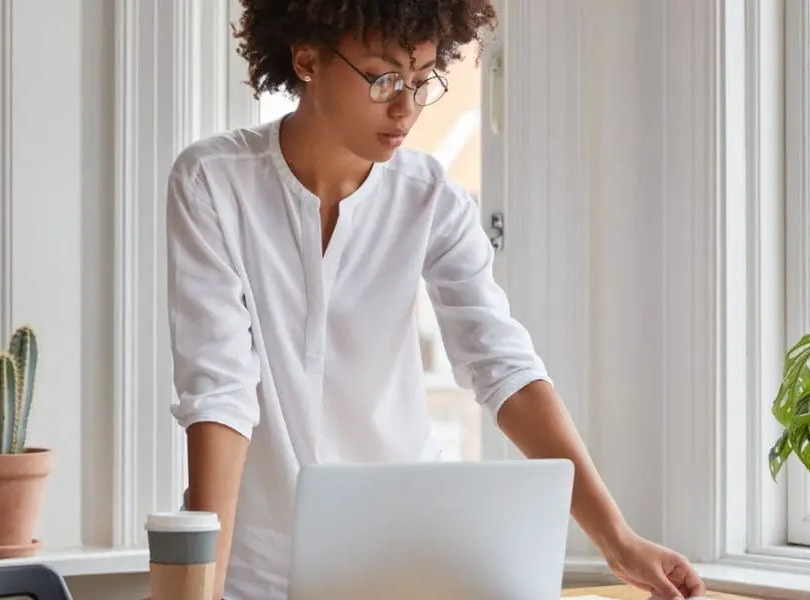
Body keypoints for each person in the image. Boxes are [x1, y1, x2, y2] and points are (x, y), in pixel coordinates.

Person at [164, 1, 707, 598]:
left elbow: (505, 368)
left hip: (406, 565)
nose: (406, 109)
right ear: (306, 58)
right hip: (251, 574)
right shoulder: (213, 182)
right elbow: (219, 392)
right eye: (384, 79)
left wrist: (618, 540)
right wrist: (202, 589)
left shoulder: (429, 198)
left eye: (423, 82)